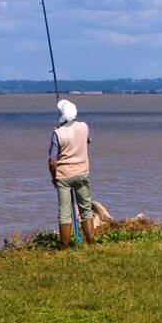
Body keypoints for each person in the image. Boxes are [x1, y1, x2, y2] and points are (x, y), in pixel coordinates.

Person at [49, 99, 95, 246]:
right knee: (86, 210)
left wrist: (54, 177)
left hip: (63, 176)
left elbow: (52, 161)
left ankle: (64, 248)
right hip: (82, 172)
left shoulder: (57, 133)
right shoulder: (84, 127)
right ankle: (91, 243)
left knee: (64, 213)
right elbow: (87, 140)